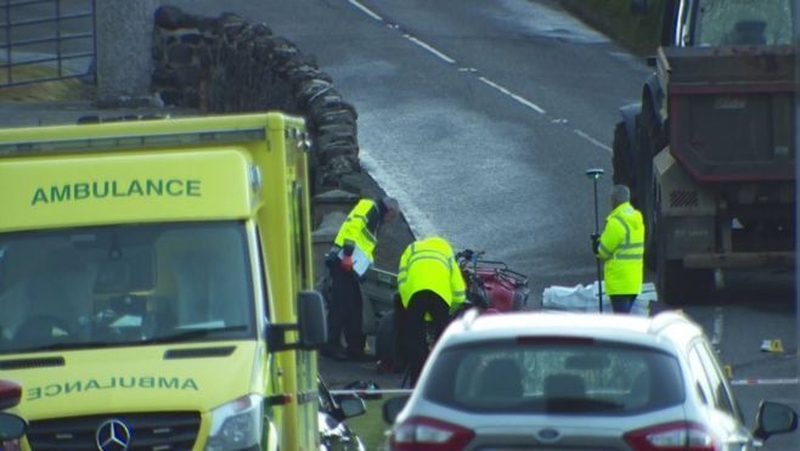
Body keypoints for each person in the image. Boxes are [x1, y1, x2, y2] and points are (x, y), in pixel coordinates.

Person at [323, 196, 400, 361]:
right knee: (340, 305)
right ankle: (330, 346)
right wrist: (348, 254)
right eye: (392, 217)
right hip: (344, 260)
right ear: (390, 210)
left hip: (352, 267)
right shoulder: (370, 207)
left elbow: (365, 244)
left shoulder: (377, 217)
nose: (390, 221)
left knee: (354, 307)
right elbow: (353, 228)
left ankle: (355, 350)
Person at [396, 236, 466, 386]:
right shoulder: (446, 251)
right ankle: (443, 382)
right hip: (440, 297)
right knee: (442, 342)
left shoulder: (411, 249)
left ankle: (416, 384)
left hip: (415, 295)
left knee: (416, 342)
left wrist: (408, 303)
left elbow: (402, 279)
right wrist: (451, 309)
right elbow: (459, 291)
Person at [591, 185, 645, 313]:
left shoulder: (616, 223)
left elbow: (603, 252)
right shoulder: (637, 218)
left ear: (613, 201)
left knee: (622, 322)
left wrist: (595, 245)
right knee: (625, 319)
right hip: (634, 282)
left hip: (619, 284)